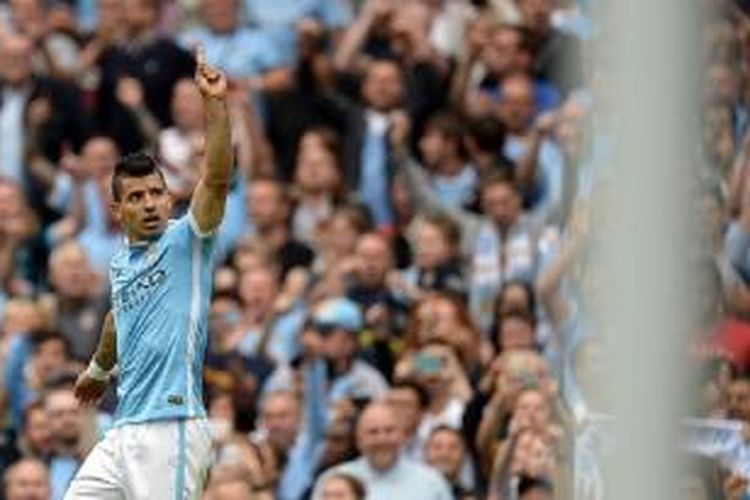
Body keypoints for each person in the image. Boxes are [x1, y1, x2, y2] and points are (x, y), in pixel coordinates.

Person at [64, 48, 233, 498]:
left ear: (169, 198)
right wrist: (99, 370)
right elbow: (119, 317)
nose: (150, 204)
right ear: (117, 211)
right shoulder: (121, 262)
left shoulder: (188, 240)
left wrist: (214, 104)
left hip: (172, 426)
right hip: (123, 428)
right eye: (136, 197)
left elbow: (216, 179)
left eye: (156, 194)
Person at [312, 403, 453, 500]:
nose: (382, 439)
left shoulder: (431, 482)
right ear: (358, 440)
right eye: (373, 432)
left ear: (402, 435)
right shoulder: (333, 479)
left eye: (389, 430)